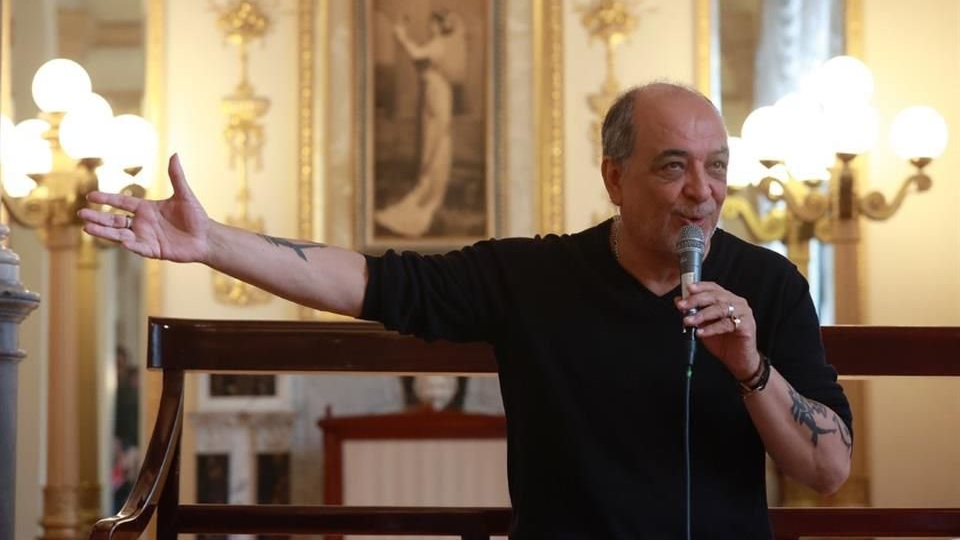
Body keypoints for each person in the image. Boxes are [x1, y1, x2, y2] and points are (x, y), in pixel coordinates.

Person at [80, 82, 852, 539]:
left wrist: (752, 368)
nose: (703, 191)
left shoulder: (770, 284)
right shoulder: (534, 276)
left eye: (716, 168)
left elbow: (827, 470)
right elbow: (370, 283)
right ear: (615, 179)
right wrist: (212, 242)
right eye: (674, 168)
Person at [374, 10, 467, 238]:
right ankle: (427, 186)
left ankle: (428, 194)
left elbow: (416, 53)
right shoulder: (437, 43)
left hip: (437, 93)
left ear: (439, 25)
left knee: (437, 141)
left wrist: (401, 35)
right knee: (430, 141)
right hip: (432, 93)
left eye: (432, 23)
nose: (430, 27)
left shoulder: (438, 44)